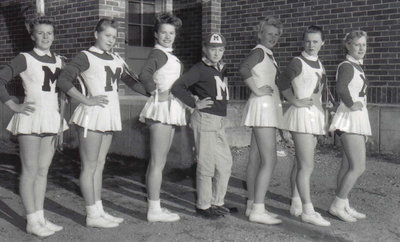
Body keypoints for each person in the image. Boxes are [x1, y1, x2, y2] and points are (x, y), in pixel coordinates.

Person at [57, 18, 146, 228]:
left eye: (114, 37)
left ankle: (98, 210)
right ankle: (91, 214)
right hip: (92, 115)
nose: (111, 40)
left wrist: (155, 93)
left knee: (100, 164)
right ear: (96, 34)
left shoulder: (116, 58)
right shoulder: (85, 56)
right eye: (107, 35)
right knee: (89, 166)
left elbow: (132, 82)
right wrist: (86, 100)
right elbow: (63, 80)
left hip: (109, 115)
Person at [0, 16, 67, 237]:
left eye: (49, 33)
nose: (45, 37)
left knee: (43, 170)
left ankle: (40, 217)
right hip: (30, 117)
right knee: (29, 170)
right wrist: (13, 105)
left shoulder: (59, 60)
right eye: (40, 33)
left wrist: (60, 123)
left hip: (51, 117)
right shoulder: (24, 58)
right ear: (32, 36)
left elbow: (62, 94)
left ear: (54, 36)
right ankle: (31, 220)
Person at [171, 32, 232, 219]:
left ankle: (217, 201)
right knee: (206, 164)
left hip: (219, 121)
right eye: (213, 49)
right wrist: (194, 102)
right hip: (205, 118)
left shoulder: (221, 68)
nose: (216, 53)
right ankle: (204, 205)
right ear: (205, 49)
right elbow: (177, 87)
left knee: (225, 162)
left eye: (220, 49)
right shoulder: (199, 68)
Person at [277, 25, 330, 226]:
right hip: (301, 116)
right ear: (303, 42)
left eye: (315, 41)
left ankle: (296, 201)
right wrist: (294, 100)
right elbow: (282, 81)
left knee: (300, 163)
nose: (311, 45)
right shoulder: (297, 62)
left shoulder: (319, 63)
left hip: (314, 116)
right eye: (307, 41)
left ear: (322, 43)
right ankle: (308, 210)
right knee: (307, 166)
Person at [138, 12, 186, 222]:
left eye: (171, 33)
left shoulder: (170, 55)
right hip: (161, 108)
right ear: (156, 34)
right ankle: (154, 210)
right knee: (157, 162)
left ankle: (156, 206)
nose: (167, 36)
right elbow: (144, 75)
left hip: (171, 108)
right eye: (163, 32)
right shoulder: (158, 54)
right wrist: (156, 92)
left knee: (161, 160)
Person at [239, 16, 283, 225]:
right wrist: (256, 90)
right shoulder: (258, 52)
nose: (272, 37)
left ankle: (251, 204)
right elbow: (243, 69)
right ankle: (258, 208)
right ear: (260, 34)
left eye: (276, 35)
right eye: (269, 34)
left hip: (264, 107)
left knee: (256, 158)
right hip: (263, 108)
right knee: (270, 159)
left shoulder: (267, 54)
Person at [328, 30, 369, 222]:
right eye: (357, 44)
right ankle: (337, 204)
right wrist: (352, 104)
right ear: (348, 46)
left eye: (363, 45)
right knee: (358, 166)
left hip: (356, 119)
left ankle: (343, 204)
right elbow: (341, 88)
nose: (361, 48)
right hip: (349, 119)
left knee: (347, 164)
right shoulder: (346, 65)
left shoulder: (357, 66)